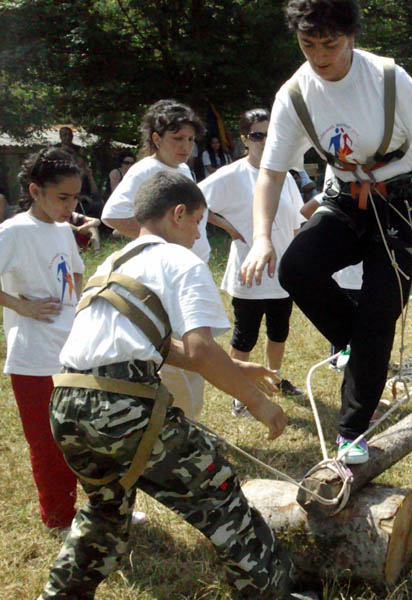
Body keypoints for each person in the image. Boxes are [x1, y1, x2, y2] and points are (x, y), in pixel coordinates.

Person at [38, 170, 297, 599]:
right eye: (197, 221)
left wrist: (237, 366)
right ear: (179, 214)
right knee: (219, 494)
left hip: (67, 403)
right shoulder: (180, 260)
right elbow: (197, 348)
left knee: (105, 511)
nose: (199, 233)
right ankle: (271, 592)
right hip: (120, 407)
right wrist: (256, 401)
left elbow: (151, 343)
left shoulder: (115, 262)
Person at [240, 0, 412, 465]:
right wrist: (262, 236)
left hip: (402, 202)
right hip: (345, 198)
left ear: (352, 38)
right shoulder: (295, 93)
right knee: (298, 266)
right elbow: (271, 171)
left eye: (331, 44)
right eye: (308, 44)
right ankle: (350, 344)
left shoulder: (386, 77)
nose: (320, 56)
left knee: (380, 312)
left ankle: (352, 431)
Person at [102, 99, 214, 419]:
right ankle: (175, 426)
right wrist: (157, 243)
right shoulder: (147, 170)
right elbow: (112, 215)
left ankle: (188, 423)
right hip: (166, 277)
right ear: (156, 138)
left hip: (191, 271)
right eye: (177, 139)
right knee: (176, 356)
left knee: (192, 351)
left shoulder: (183, 169)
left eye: (191, 140)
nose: (186, 146)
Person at [200, 108, 307, 411]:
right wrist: (228, 227)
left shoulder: (282, 174)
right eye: (258, 135)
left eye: (270, 135)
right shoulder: (232, 175)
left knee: (279, 331)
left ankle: (275, 379)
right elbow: (195, 201)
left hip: (282, 271)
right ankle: (240, 395)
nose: (265, 141)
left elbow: (296, 220)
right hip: (250, 272)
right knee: (245, 336)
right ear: (244, 139)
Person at [0, 148, 83, 535]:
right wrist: (21, 306)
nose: (71, 206)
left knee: (85, 436)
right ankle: (59, 518)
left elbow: (76, 276)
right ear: (35, 191)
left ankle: (97, 513)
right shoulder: (13, 231)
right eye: (62, 197)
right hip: (32, 358)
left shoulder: (64, 229)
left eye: (76, 197)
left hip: (72, 351)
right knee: (48, 444)